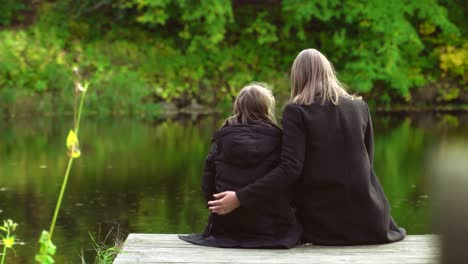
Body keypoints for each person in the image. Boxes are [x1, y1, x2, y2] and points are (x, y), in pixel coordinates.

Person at [208, 49, 406, 245]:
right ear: (327, 71)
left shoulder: (297, 111)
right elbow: (367, 161)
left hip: (325, 224)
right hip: (371, 220)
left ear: (298, 76)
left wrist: (240, 198)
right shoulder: (360, 107)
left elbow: (289, 170)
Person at [179, 83, 302, 248]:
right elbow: (287, 183)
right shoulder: (281, 141)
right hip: (271, 231)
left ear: (237, 107)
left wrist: (218, 210)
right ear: (267, 108)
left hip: (226, 229)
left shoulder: (221, 140)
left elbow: (207, 186)